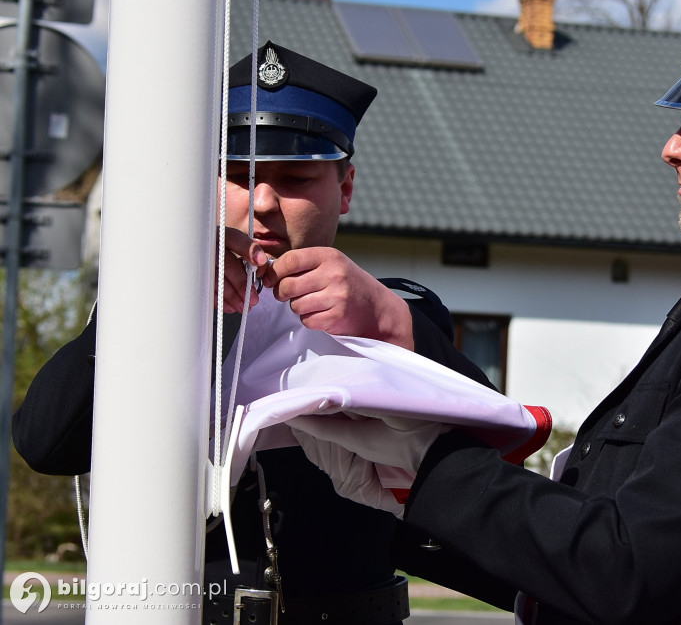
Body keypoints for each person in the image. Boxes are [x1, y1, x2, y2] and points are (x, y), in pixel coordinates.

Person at [293, 0, 681, 624]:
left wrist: (427, 468)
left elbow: (625, 571)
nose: (674, 148)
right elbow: (583, 567)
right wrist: (402, 505)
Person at [13, 41, 503, 624]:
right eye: (239, 176)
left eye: (295, 177)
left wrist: (392, 325)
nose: (265, 202)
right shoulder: (155, 305)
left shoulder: (396, 309)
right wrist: (163, 294)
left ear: (345, 188)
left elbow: (492, 448)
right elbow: (47, 443)